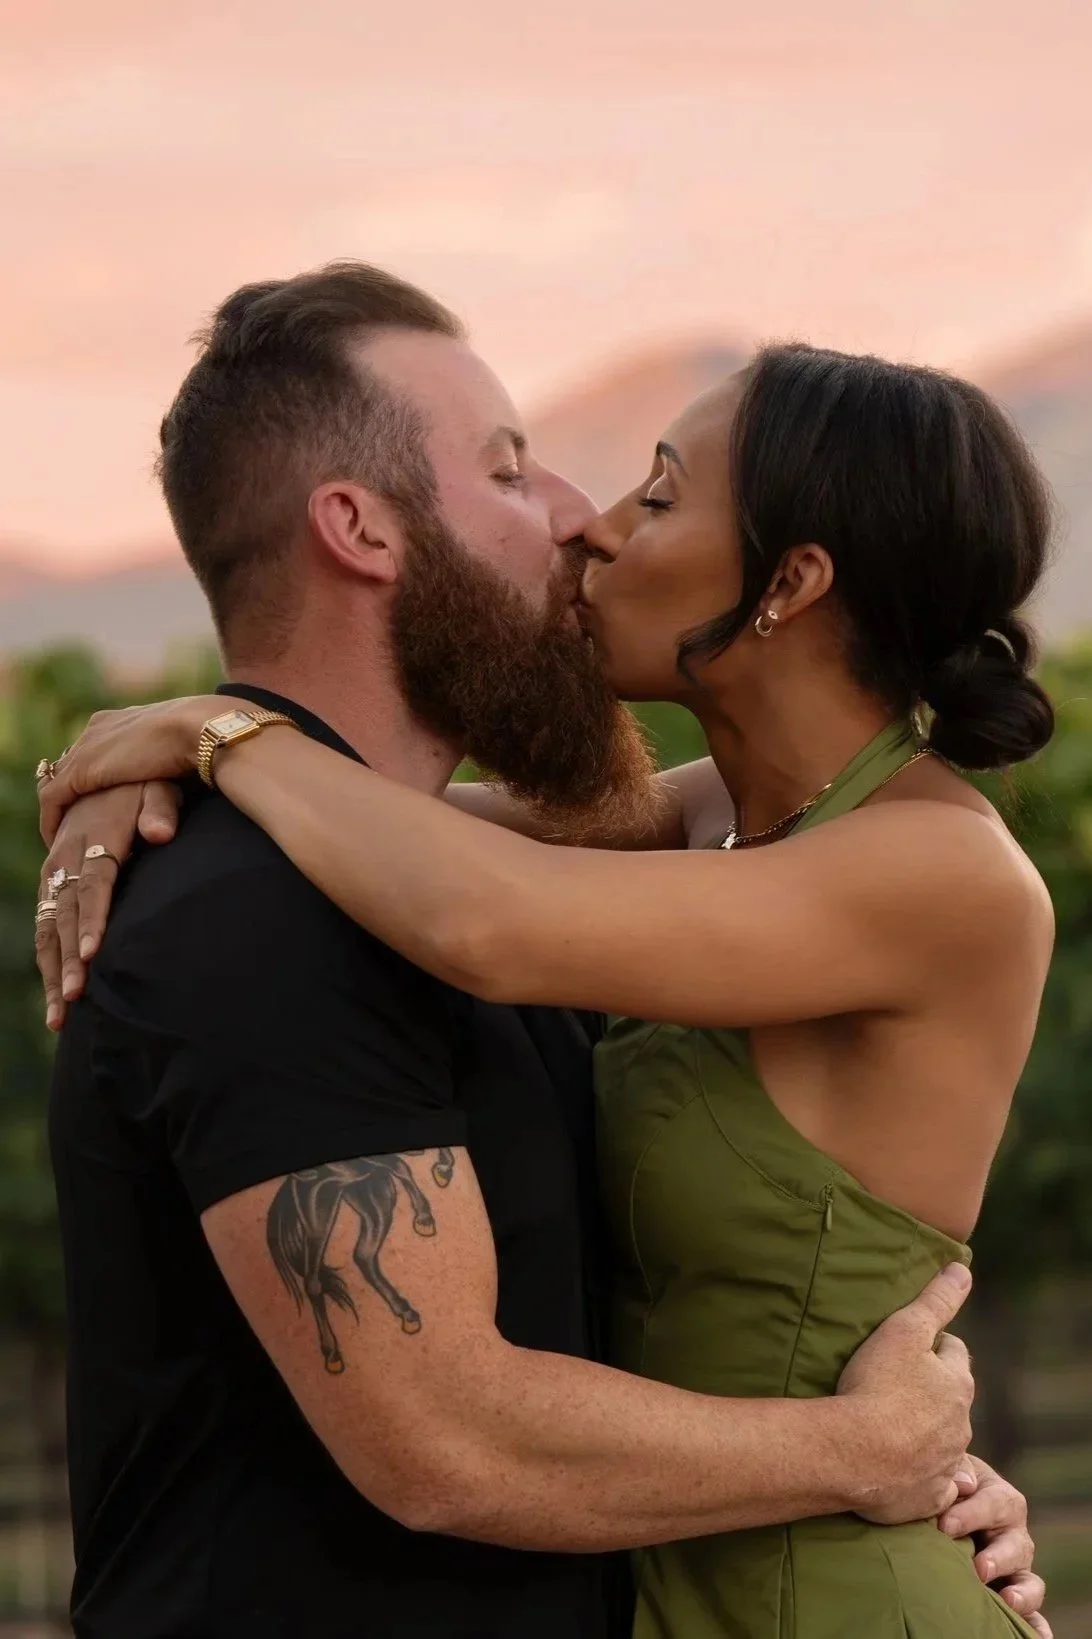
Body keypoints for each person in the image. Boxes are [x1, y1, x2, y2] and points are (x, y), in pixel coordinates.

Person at [35, 269, 1048, 1638]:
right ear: (358, 527)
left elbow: (481, 910)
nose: (590, 521)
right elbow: (433, 845)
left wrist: (220, 737)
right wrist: (177, 758)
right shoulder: (689, 829)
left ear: (793, 582)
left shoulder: (927, 866)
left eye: (660, 493)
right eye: (518, 472)